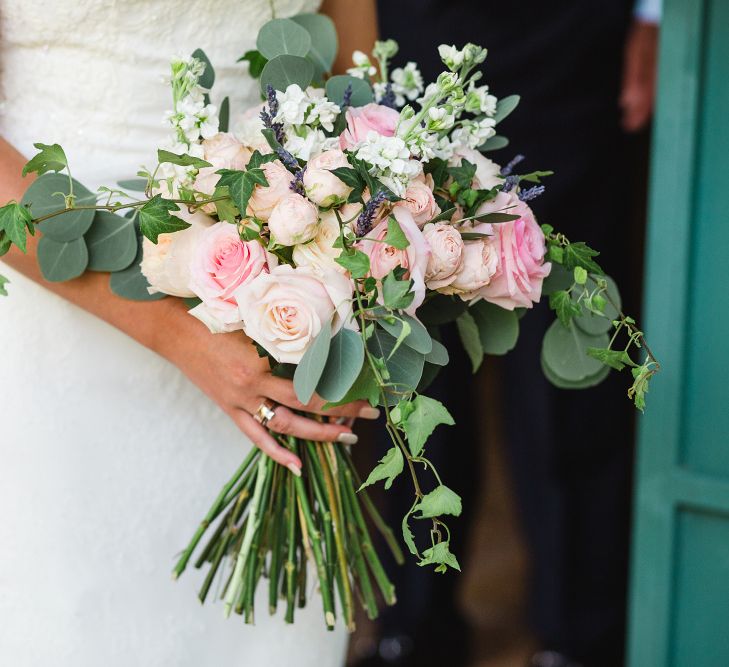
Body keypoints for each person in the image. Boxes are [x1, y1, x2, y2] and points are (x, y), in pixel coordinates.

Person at [0, 1, 378, 665]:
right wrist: (177, 335)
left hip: (277, 291)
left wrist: (353, 255)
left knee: (267, 633)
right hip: (56, 309)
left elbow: (349, 76)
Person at [359, 1, 659, 666]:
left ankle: (579, 634)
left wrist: (655, 13)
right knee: (410, 323)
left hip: (567, 37)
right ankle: (414, 621)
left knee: (569, 338)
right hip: (417, 30)